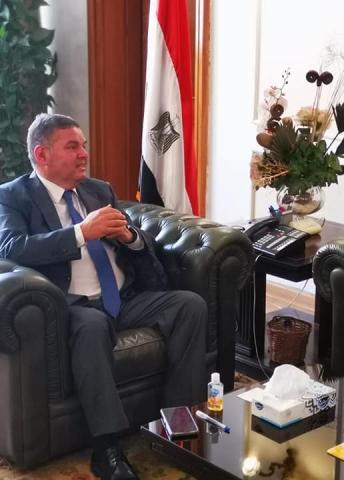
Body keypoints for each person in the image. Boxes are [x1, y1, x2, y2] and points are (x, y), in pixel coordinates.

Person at [0, 113, 207, 480]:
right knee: (93, 326)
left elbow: (136, 241)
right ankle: (107, 448)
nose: (84, 154)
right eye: (72, 147)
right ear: (41, 154)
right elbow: (12, 247)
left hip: (124, 297)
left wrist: (130, 237)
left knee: (189, 306)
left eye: (84, 145)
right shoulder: (13, 197)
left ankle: (178, 424)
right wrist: (82, 232)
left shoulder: (98, 190)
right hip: (72, 306)